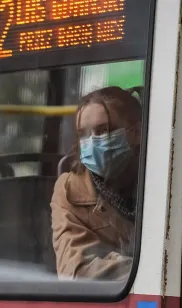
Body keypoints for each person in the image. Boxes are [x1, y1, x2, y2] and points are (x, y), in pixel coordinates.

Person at [50, 86, 142, 281]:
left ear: (137, 133)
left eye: (103, 130)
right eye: (84, 134)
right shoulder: (70, 190)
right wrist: (145, 269)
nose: (92, 142)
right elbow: (77, 270)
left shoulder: (160, 180)